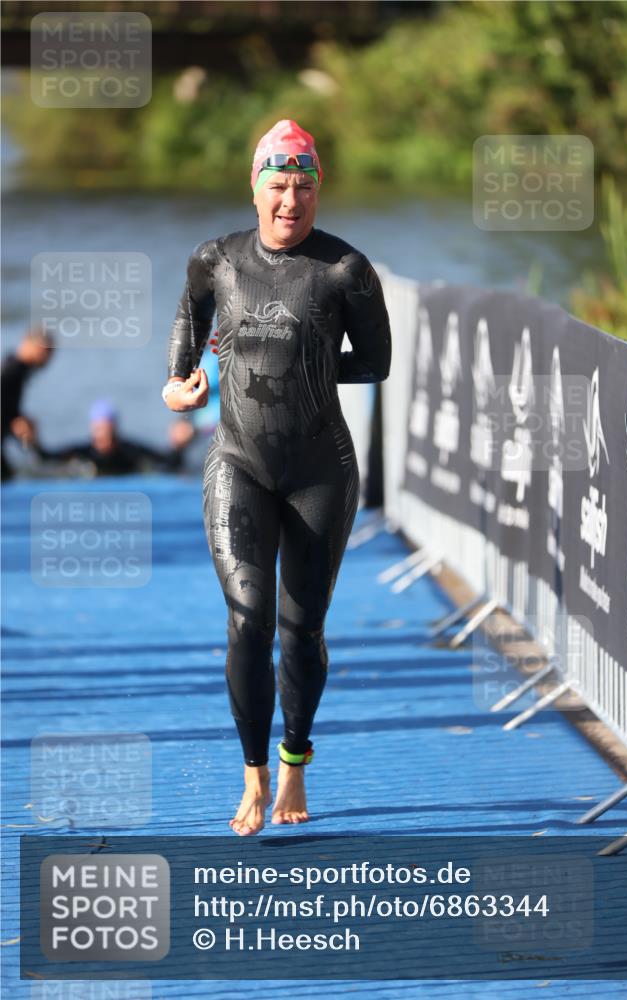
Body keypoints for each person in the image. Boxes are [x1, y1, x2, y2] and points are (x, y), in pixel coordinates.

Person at [163, 119, 392, 836]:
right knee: (247, 619)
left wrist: (314, 366)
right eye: (278, 186)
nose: (290, 201)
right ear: (254, 188)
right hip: (239, 462)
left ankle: (295, 759)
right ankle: (254, 776)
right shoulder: (216, 261)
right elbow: (181, 352)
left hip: (320, 468)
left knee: (301, 630)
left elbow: (376, 360)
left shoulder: (343, 270)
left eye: (303, 187)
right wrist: (180, 388)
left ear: (316, 190)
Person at [22, 399, 194, 477]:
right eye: (99, 430)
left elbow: (169, 463)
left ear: (115, 429)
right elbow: (45, 460)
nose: (104, 436)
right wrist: (32, 442)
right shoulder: (82, 453)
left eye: (108, 431)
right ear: (92, 429)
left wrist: (179, 445)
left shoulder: (129, 451)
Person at [1, 327, 54, 481]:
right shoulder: (11, 370)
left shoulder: (19, 370)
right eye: (45, 350)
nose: (48, 357)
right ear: (28, 344)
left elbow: (9, 409)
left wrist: (17, 420)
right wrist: (15, 422)